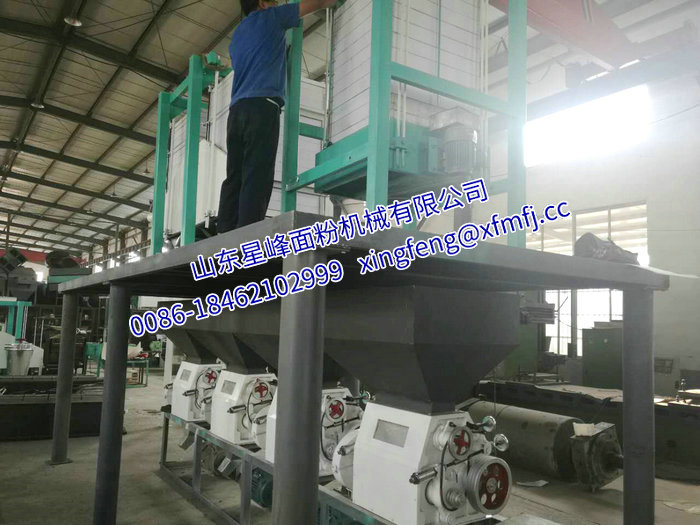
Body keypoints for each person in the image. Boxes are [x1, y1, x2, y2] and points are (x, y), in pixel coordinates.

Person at [218, 0, 337, 233]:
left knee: (235, 174)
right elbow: (315, 3)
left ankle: (224, 230)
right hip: (262, 107)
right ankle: (248, 234)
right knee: (257, 173)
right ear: (262, 3)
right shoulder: (271, 17)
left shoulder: (238, 35)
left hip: (236, 111)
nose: (277, 3)